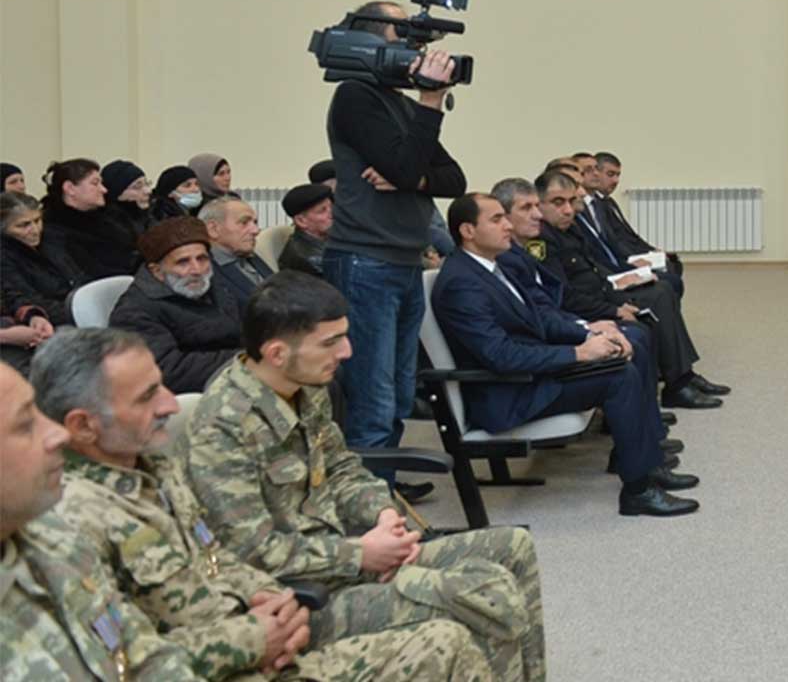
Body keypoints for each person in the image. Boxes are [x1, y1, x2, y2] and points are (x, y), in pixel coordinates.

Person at [31, 328, 492, 680]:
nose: (171, 404)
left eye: (161, 386)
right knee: (446, 640)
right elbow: (119, 662)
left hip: (262, 637)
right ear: (83, 425)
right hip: (224, 663)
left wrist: (279, 605)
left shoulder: (153, 468)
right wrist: (252, 639)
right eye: (148, 395)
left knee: (457, 629)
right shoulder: (69, 519)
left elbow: (215, 557)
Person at [187, 272, 547, 681]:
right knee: (484, 598)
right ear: (277, 353)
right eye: (330, 342)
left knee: (512, 547)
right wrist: (360, 554)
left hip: (345, 558)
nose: (347, 351)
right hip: (297, 600)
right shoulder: (222, 428)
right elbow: (253, 551)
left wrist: (383, 515)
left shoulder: (304, 385)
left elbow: (341, 468)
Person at [434, 193, 698, 517]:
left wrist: (590, 334)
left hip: (531, 371)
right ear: (467, 231)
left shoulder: (492, 267)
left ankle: (643, 463)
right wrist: (578, 353)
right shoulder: (461, 283)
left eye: (505, 216)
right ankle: (638, 491)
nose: (507, 226)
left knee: (622, 353)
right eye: (496, 219)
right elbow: (500, 356)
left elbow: (540, 320)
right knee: (620, 376)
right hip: (509, 391)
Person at [321, 1, 466, 458]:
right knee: (374, 400)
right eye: (402, 34)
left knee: (400, 394)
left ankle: (383, 487)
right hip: (365, 261)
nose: (415, 48)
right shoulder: (355, 96)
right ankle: (369, 499)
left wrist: (415, 180)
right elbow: (404, 165)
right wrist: (431, 103)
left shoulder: (400, 105)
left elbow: (454, 180)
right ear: (369, 39)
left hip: (403, 262)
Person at [1, 360, 202, 679]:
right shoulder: (71, 514)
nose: (58, 434)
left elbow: (143, 655)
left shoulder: (52, 538)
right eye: (25, 425)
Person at [528, 170, 726, 409]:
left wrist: (618, 298)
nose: (569, 210)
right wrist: (614, 309)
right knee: (656, 299)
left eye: (571, 201)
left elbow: (594, 273)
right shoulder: (541, 241)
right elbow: (565, 296)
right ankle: (674, 385)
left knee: (661, 290)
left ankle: (682, 377)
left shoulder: (569, 229)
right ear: (539, 204)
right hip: (586, 309)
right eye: (558, 202)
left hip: (602, 293)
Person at [108, 217, 244, 394]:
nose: (196, 270)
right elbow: (168, 371)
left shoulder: (209, 286)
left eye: (202, 259)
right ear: (157, 271)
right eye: (183, 262)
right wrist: (247, 360)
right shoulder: (134, 312)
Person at [584, 151, 686, 298]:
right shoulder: (595, 206)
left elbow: (629, 235)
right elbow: (613, 242)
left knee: (673, 263)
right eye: (610, 174)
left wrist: (651, 250)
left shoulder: (608, 202)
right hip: (616, 264)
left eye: (618, 175)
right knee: (670, 281)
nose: (615, 181)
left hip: (625, 256)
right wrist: (631, 260)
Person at [2, 192, 74, 371]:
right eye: (23, 225)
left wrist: (33, 315)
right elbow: (23, 292)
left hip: (38, 321)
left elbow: (13, 294)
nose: (34, 230)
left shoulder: (50, 241)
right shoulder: (5, 256)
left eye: (37, 221)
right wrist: (6, 335)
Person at [40, 158, 141, 281]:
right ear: (70, 188)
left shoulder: (112, 215)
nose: (104, 190)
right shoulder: (55, 232)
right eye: (95, 183)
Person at [202, 196, 275, 304]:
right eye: (244, 222)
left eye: (255, 222)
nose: (256, 230)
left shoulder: (248, 255)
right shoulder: (203, 270)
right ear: (213, 229)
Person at [279, 183, 333, 278]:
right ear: (301, 221)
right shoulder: (310, 260)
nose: (333, 214)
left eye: (331, 207)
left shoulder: (325, 238)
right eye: (322, 211)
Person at [101, 160, 155, 244]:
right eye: (137, 187)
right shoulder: (110, 229)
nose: (148, 191)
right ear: (117, 194)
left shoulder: (149, 215)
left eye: (147, 184)